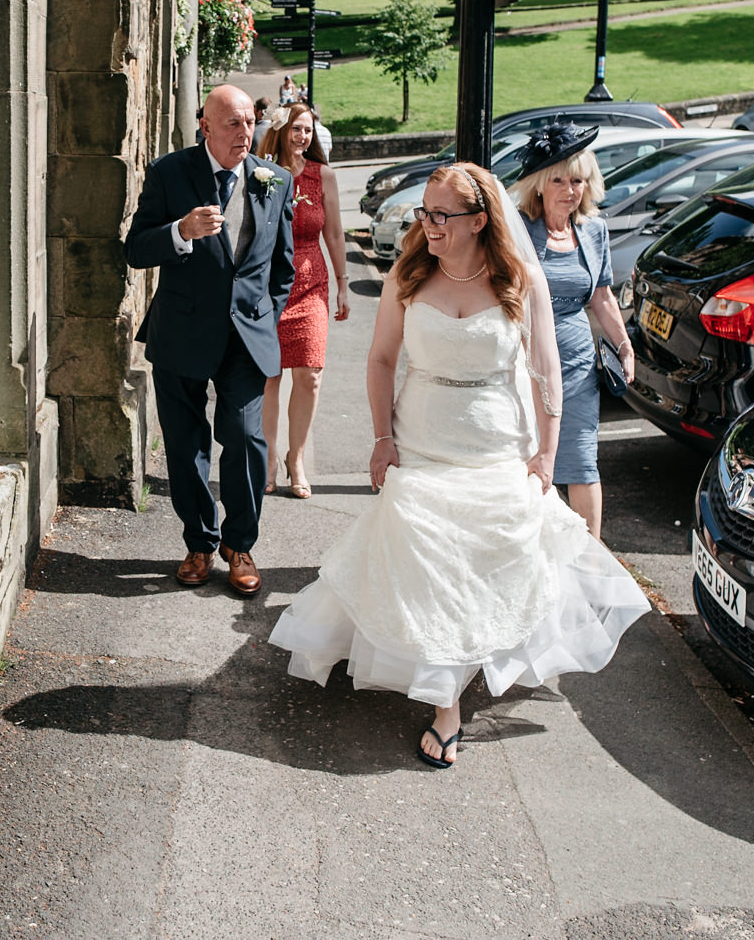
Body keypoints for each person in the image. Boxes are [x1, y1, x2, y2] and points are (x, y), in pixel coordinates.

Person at [269, 163, 648, 767]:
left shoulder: (519, 278)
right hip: (421, 441)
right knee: (431, 558)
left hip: (497, 444)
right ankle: (446, 706)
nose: (429, 223)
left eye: (442, 214)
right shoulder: (408, 273)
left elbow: (546, 371)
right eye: (425, 211)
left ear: (479, 220)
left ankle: (466, 669)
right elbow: (381, 360)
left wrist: (546, 454)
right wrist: (381, 438)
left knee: (486, 562)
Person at [124, 85, 297, 597]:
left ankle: (239, 545)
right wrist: (180, 231)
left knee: (244, 439)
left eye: (250, 123)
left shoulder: (275, 179)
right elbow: (136, 249)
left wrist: (264, 318)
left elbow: (282, 268)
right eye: (232, 124)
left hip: (247, 337)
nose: (245, 133)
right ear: (205, 126)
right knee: (185, 444)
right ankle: (199, 542)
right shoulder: (169, 173)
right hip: (182, 331)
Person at [511, 123, 635, 540]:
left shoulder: (594, 231)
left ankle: (590, 558)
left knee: (582, 462)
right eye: (558, 181)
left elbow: (602, 296)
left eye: (577, 181)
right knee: (527, 457)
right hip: (524, 361)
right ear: (539, 184)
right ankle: (533, 548)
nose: (569, 190)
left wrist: (623, 344)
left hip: (578, 363)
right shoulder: (517, 229)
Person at [255, 103, 350, 497]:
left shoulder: (322, 175)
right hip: (268, 285)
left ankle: (296, 458)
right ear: (282, 131)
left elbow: (335, 234)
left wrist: (343, 283)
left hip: (312, 284)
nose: (302, 136)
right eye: (296, 128)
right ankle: (268, 458)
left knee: (309, 375)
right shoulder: (261, 172)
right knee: (269, 377)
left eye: (308, 130)